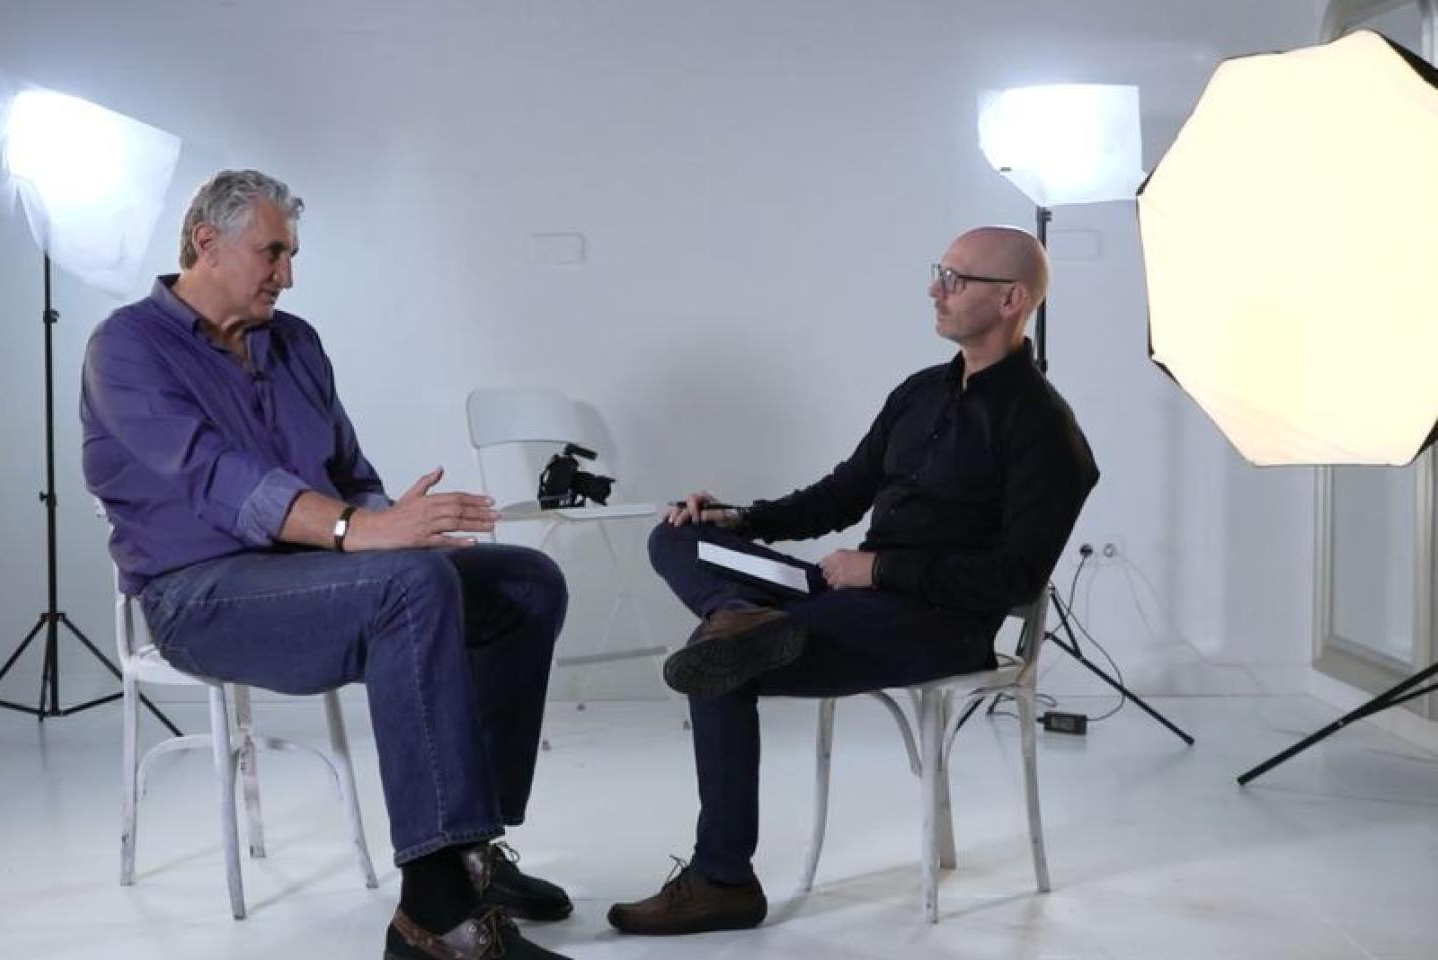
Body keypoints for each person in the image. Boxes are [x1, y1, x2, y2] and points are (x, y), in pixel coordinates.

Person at [82, 170, 574, 960]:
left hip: (318, 576)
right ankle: (435, 915)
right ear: (205, 243)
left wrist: (389, 523)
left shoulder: (296, 341)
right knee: (409, 586)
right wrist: (361, 533)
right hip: (201, 597)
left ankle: (471, 853)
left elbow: (349, 469)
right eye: (271, 252)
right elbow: (215, 477)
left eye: (291, 254)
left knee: (523, 581)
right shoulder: (127, 347)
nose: (287, 274)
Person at [608, 226, 1099, 936]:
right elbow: (841, 495)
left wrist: (881, 568)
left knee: (717, 666)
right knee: (678, 537)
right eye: (939, 271)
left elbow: (1015, 575)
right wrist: (740, 517)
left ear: (1011, 299)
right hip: (846, 593)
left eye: (956, 279)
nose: (936, 288)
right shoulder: (918, 393)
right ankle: (738, 614)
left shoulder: (1047, 430)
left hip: (936, 624)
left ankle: (723, 879)